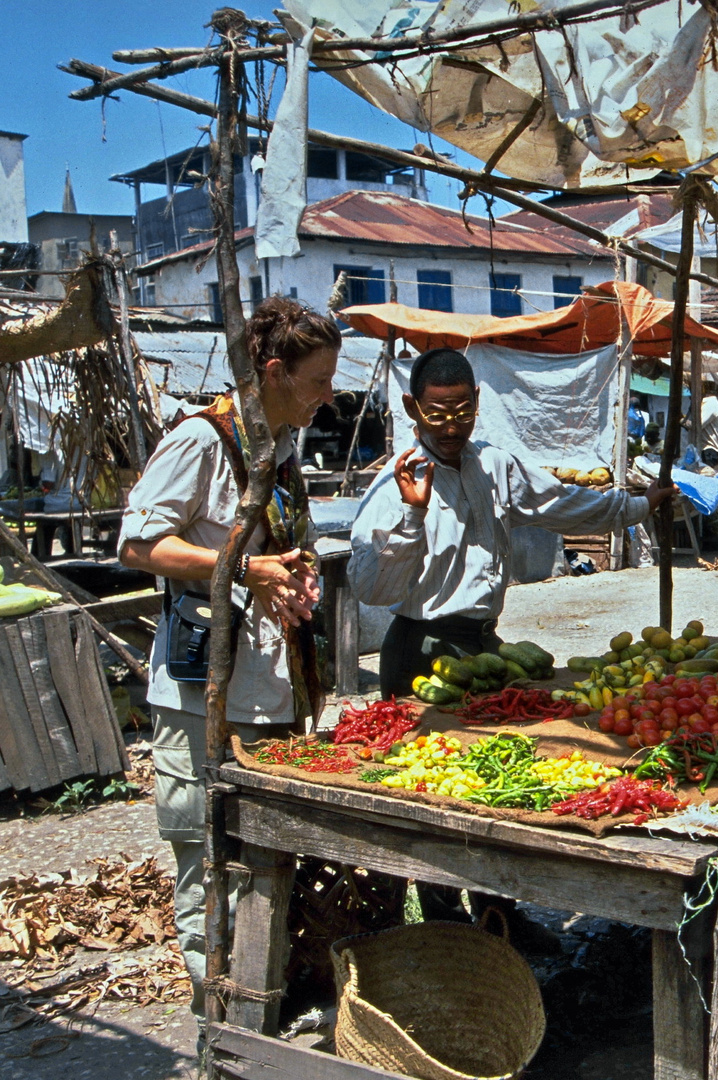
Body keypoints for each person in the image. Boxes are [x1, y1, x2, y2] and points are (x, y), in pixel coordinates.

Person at [118, 297, 338, 1013]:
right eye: (319, 381)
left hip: (269, 687)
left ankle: (258, 993)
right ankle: (219, 1007)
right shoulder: (201, 441)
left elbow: (268, 550)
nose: (329, 396)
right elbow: (137, 545)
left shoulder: (279, 448)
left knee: (260, 855)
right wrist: (246, 568)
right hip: (203, 694)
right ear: (274, 371)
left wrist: (290, 574)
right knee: (207, 853)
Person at [350, 347, 677, 700]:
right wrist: (413, 515)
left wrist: (641, 504)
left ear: (476, 400)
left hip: (484, 646)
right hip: (420, 652)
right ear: (412, 407)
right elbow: (372, 590)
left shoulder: (494, 466)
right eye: (435, 414)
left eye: (463, 413)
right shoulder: (394, 483)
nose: (450, 428)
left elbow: (563, 503)